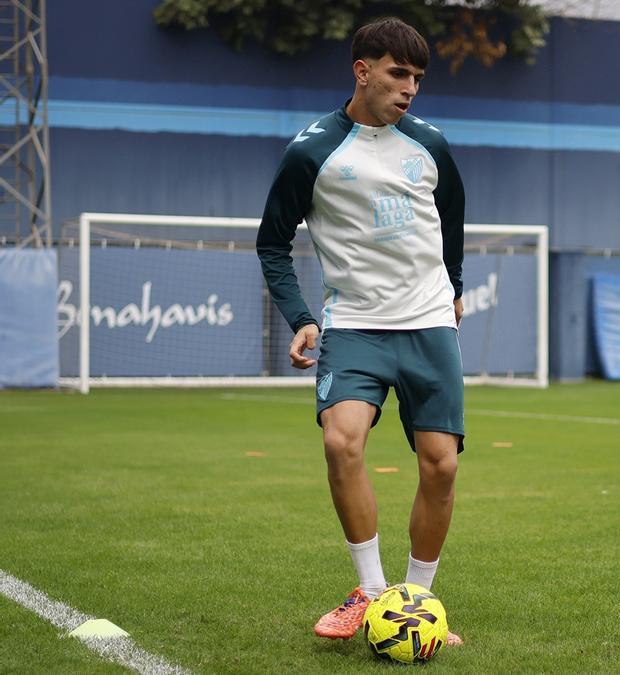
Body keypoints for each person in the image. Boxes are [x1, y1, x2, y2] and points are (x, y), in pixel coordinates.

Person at [256, 17, 467, 644]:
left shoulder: (432, 145)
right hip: (354, 327)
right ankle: (372, 593)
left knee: (442, 467)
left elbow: (451, 225)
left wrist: (452, 290)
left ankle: (416, 603)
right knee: (340, 442)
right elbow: (272, 244)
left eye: (418, 79)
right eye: (398, 74)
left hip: (428, 324)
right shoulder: (312, 151)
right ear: (363, 70)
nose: (409, 89)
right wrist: (301, 317)